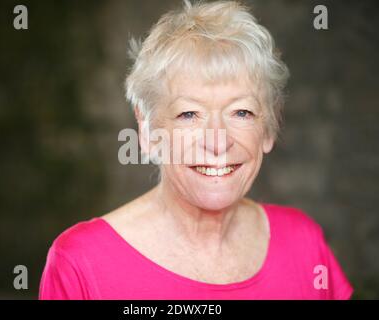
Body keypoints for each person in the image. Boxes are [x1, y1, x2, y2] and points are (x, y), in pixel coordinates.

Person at [39, 0, 353, 299]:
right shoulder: (80, 263)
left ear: (269, 128)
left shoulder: (304, 243)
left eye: (241, 112)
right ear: (148, 131)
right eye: (189, 114)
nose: (217, 142)